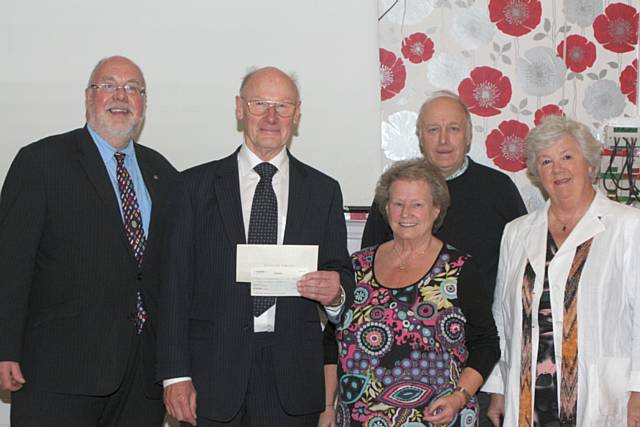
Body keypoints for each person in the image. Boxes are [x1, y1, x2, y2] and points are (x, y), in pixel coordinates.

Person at [157, 66, 354, 427]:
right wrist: (174, 375)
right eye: (260, 103)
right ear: (239, 108)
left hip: (292, 378)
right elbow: (173, 287)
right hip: (210, 376)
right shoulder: (193, 187)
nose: (271, 116)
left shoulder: (324, 191)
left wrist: (336, 292)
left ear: (296, 114)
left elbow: (340, 271)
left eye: (283, 106)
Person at [320, 90, 526, 426]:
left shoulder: (499, 191)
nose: (443, 139)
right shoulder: (367, 249)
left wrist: (499, 384)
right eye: (432, 130)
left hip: (466, 377)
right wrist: (328, 405)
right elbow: (347, 314)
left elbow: (514, 294)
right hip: (365, 405)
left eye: (454, 129)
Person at [0, 56, 177, 426]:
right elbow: (10, 262)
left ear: (144, 103)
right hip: (58, 373)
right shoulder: (41, 161)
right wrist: (4, 348)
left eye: (133, 88)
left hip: (141, 376)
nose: (121, 95)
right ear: (88, 97)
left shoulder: (163, 172)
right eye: (108, 85)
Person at [484, 116, 640, 426]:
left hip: (601, 391)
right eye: (546, 161)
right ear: (536, 173)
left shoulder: (628, 226)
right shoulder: (516, 232)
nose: (558, 169)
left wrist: (638, 390)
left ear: (589, 164)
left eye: (567, 156)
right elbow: (502, 316)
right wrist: (498, 388)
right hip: (530, 394)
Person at [327, 159, 499, 426]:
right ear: (386, 209)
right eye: (398, 204)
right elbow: (331, 339)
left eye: (417, 204)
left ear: (436, 210)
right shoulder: (356, 266)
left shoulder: (459, 269)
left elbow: (486, 343)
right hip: (358, 419)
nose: (406, 213)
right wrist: (327, 407)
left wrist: (459, 397)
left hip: (438, 418)